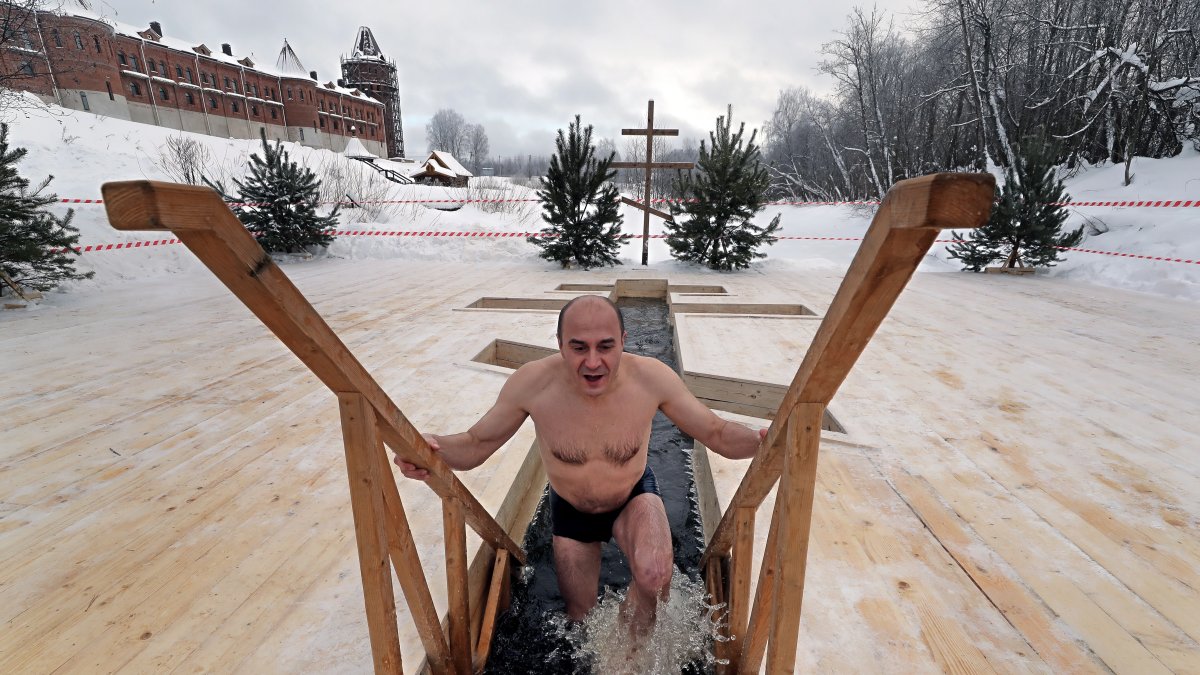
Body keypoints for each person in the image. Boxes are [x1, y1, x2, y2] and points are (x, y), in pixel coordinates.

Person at [396, 295, 765, 633]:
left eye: (605, 347)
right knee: (580, 620)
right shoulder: (533, 384)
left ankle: (628, 658)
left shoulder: (651, 379)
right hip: (571, 509)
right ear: (559, 345)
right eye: (578, 348)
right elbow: (477, 444)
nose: (592, 362)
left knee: (654, 576)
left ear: (623, 340)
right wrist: (434, 449)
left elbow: (715, 432)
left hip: (632, 495)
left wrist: (762, 442)